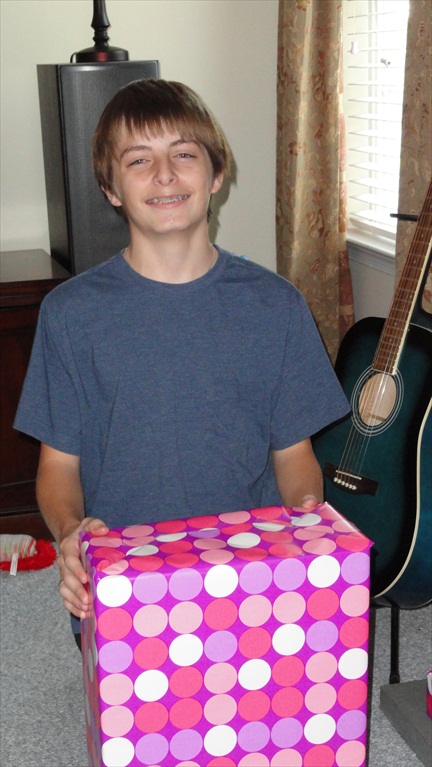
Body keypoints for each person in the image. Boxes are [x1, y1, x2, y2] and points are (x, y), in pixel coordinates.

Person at [14, 79, 349, 644]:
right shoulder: (69, 314)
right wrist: (72, 532)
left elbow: (294, 456)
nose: (164, 174)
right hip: (123, 583)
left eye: (184, 154)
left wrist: (307, 519)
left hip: (254, 577)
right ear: (110, 188)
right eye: (138, 160)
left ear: (215, 175)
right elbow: (59, 467)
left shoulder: (277, 306)